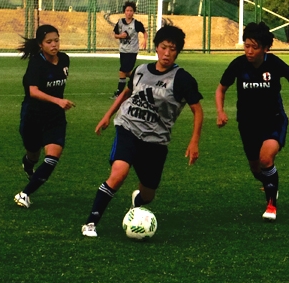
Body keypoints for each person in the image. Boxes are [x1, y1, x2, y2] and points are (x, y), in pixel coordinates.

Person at [82, 25, 203, 238]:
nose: (167, 53)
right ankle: (91, 222)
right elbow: (126, 93)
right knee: (118, 174)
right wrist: (107, 116)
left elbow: (197, 110)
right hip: (128, 128)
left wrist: (194, 141)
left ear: (177, 52)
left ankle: (137, 202)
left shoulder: (182, 79)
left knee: (148, 194)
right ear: (156, 47)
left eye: (172, 49)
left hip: (156, 141)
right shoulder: (140, 70)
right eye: (164, 47)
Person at [216, 22, 289, 221]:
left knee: (266, 159)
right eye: (246, 46)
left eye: (254, 47)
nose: (249, 51)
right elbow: (221, 89)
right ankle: (271, 185)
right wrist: (220, 111)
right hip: (247, 123)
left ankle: (271, 205)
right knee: (256, 168)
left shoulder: (275, 64)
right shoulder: (238, 64)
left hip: (274, 120)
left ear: (265, 48)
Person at [14, 25, 76, 208]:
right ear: (41, 45)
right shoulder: (36, 64)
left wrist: (57, 104)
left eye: (56, 40)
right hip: (33, 116)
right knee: (33, 154)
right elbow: (33, 92)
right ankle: (28, 163)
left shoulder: (65, 60)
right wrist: (58, 101)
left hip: (54, 118)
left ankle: (25, 194)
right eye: (49, 42)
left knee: (52, 158)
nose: (54, 44)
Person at [112, 1, 148, 99]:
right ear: (124, 12)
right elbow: (115, 35)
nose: (129, 12)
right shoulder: (120, 22)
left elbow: (145, 32)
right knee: (127, 72)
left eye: (131, 11)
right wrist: (121, 36)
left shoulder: (136, 23)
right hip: (123, 50)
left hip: (132, 51)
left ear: (133, 12)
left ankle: (119, 93)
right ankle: (140, 79)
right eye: (127, 10)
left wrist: (145, 40)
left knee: (122, 70)